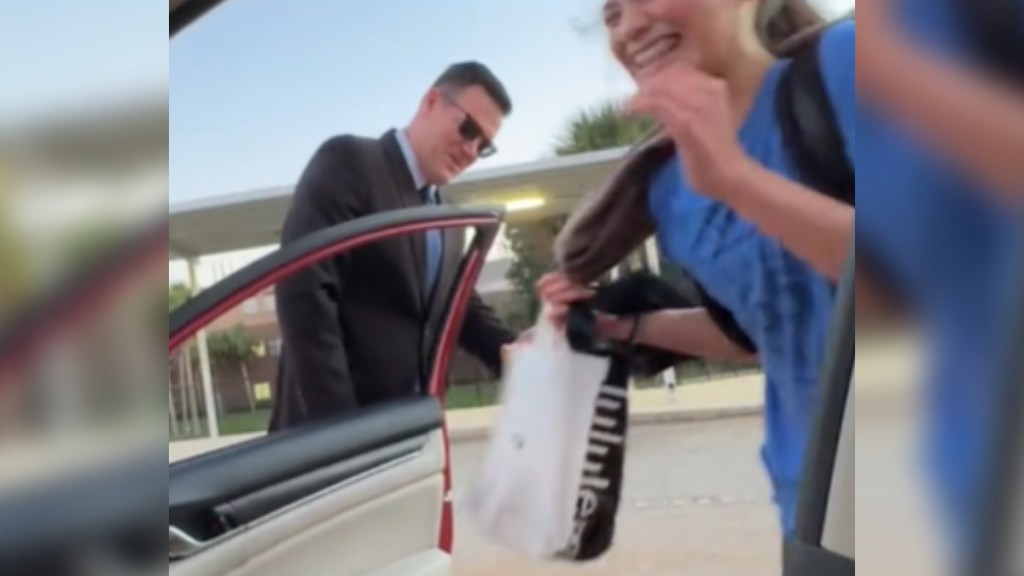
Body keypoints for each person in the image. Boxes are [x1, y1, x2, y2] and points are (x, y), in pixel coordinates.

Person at [540, 0, 852, 538]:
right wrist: (622, 326)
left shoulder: (847, 70)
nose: (631, 25)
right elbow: (758, 333)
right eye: (612, 14)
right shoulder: (667, 189)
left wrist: (737, 180)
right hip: (811, 507)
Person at [269, 61, 520, 431]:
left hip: (409, 436)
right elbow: (303, 291)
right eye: (468, 129)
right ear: (431, 102)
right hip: (331, 439)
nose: (471, 149)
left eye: (484, 146)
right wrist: (342, 431)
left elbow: (457, 304)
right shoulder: (351, 163)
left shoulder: (447, 215)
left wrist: (510, 349)